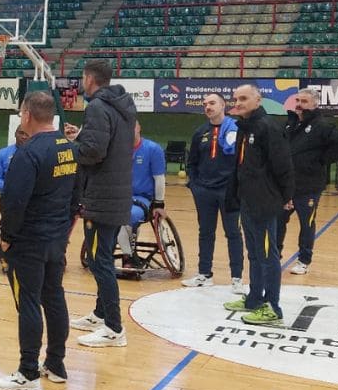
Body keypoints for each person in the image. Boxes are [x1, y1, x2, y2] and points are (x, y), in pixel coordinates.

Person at [0, 92, 79, 390]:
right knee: (54, 298)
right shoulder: (69, 148)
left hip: (29, 241)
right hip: (56, 239)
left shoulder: (28, 153)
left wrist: (6, 237)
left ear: (27, 115)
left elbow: (13, 202)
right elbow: (75, 197)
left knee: (28, 303)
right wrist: (62, 230)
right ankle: (56, 364)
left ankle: (27, 373)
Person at [63, 60, 136, 348]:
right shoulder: (122, 106)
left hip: (102, 196)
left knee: (99, 260)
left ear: (89, 79)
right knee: (102, 255)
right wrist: (81, 136)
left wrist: (70, 147)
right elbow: (107, 144)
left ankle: (114, 328)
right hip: (116, 193)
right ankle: (100, 313)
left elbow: (93, 153)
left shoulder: (96, 107)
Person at [225, 84, 294, 326]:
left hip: (265, 202)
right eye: (236, 98)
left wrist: (287, 196)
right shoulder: (245, 127)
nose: (239, 102)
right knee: (253, 254)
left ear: (258, 99)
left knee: (267, 256)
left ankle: (273, 308)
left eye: (244, 98)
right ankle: (254, 299)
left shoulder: (268, 127)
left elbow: (283, 164)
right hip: (247, 201)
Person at [277, 88, 338, 276]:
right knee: (278, 220)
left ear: (315, 104)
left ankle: (304, 260)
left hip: (308, 187)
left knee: (306, 224)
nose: (299, 104)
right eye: (298, 100)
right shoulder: (289, 124)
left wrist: (320, 160)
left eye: (304, 101)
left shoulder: (322, 126)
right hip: (286, 186)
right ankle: (274, 256)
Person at [182, 93, 244, 292]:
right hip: (205, 191)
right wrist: (196, 186)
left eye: (212, 103)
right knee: (205, 233)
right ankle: (204, 274)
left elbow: (242, 161)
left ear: (223, 105)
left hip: (229, 192)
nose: (207, 106)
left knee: (233, 233)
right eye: (205, 104)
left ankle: (236, 278)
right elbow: (192, 162)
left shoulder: (237, 129)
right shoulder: (200, 132)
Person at [121, 121, 167, 268]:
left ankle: (128, 256)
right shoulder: (118, 149)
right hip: (121, 196)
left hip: (142, 199)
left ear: (139, 128)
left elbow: (159, 178)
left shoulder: (153, 149)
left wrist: (159, 203)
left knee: (126, 215)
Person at [0, 128, 31, 194]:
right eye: (21, 133)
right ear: (15, 134)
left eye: (27, 134)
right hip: (8, 197)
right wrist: (10, 188)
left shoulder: (38, 154)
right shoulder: (3, 153)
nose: (24, 137)